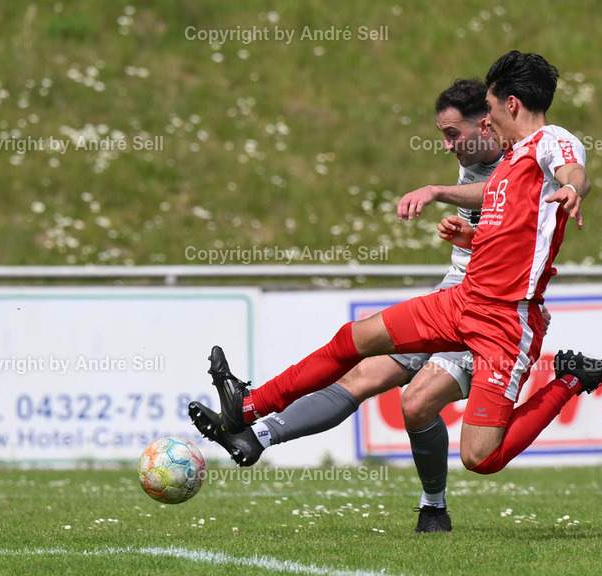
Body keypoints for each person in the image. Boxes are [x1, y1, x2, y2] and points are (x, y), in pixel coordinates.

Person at [206, 51, 602, 480]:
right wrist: (467, 234)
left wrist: (573, 189)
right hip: (463, 300)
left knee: (480, 457)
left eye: (492, 106)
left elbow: (575, 172)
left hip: (504, 322)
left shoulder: (550, 140)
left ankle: (570, 379)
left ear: (511, 104)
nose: (489, 118)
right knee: (355, 338)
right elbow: (500, 209)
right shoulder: (511, 160)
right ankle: (249, 405)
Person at [190, 78, 511, 533]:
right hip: (453, 295)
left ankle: (434, 507)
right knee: (359, 372)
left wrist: (437, 192)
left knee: (417, 404)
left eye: (452, 134)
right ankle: (254, 434)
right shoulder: (473, 156)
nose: (446, 144)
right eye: (441, 134)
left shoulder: (520, 156)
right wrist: (466, 233)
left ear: (486, 122)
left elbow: (511, 195)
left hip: (490, 312)